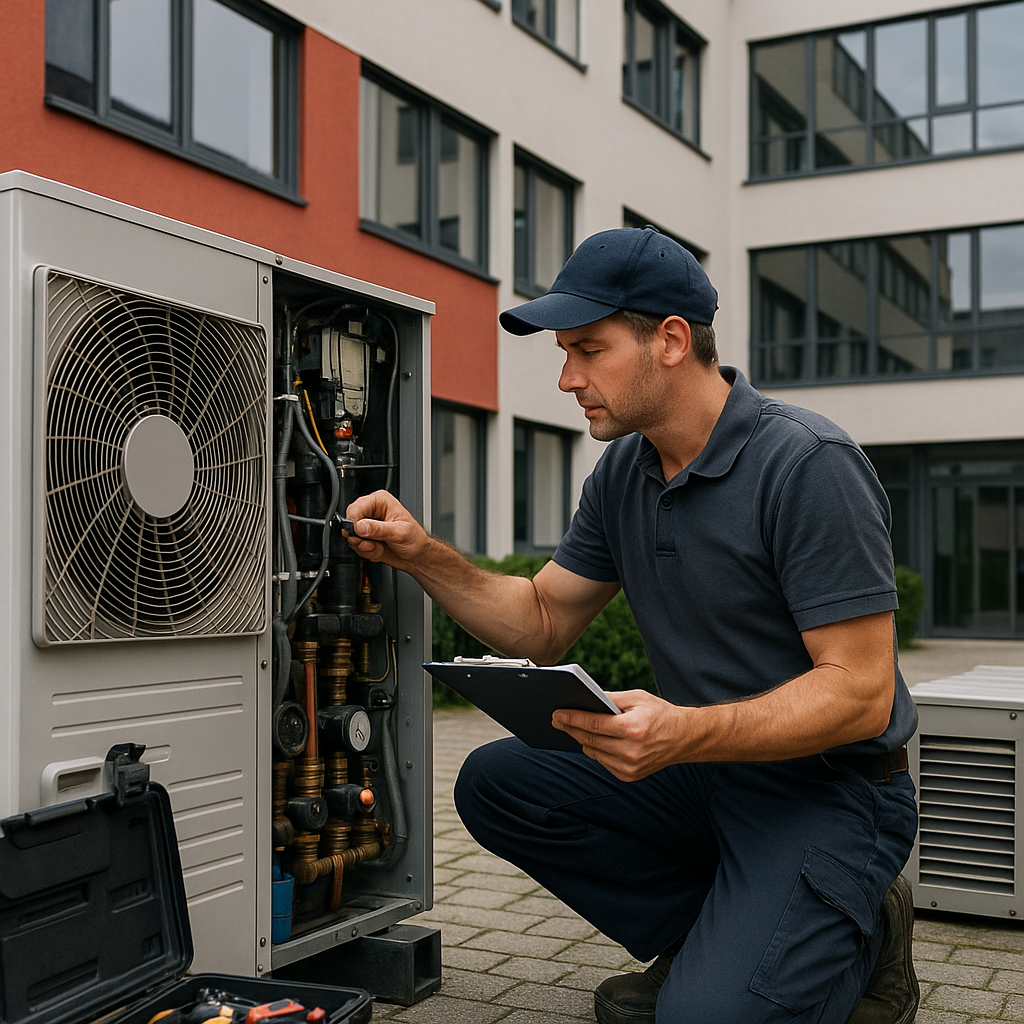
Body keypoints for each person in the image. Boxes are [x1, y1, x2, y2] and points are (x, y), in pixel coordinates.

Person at [345, 226, 919, 1024]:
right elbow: (542, 621)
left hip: (828, 790)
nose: (567, 379)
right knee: (498, 784)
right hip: (706, 771)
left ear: (672, 341)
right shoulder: (625, 470)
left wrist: (684, 731)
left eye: (588, 350)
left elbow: (861, 695)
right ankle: (711, 939)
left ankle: (865, 930)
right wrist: (421, 555)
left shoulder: (808, 464)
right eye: (564, 354)